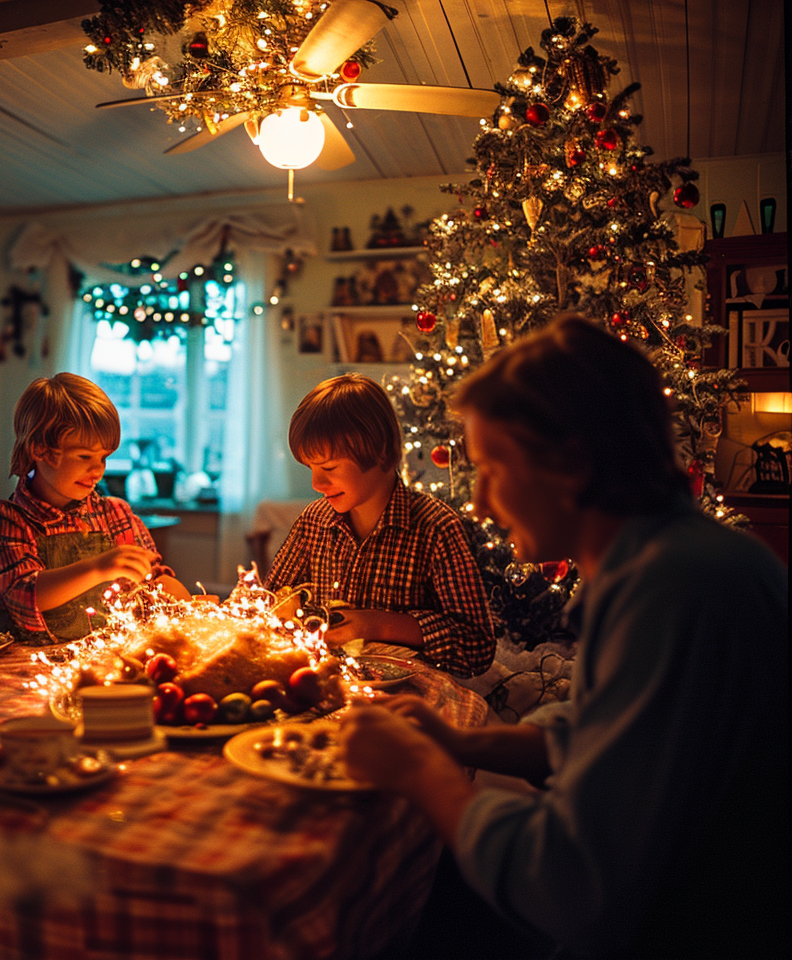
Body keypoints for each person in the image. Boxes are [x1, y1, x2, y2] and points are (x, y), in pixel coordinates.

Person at [341, 315, 789, 958]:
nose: (482, 504)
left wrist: (420, 769)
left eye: (493, 469)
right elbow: (597, 729)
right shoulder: (661, 560)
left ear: (571, 463)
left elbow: (571, 886)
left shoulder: (676, 589)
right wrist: (459, 741)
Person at [266, 373, 495, 677]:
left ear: (381, 451)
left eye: (329, 468)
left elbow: (477, 647)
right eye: (311, 468)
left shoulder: (436, 528)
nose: (316, 483)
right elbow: (267, 605)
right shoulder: (314, 522)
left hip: (407, 699)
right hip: (323, 683)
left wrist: (378, 624)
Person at [0, 372, 188, 642]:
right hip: (19, 668)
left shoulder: (115, 515)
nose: (97, 470)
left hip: (98, 665)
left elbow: (154, 580)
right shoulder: (4, 520)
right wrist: (98, 568)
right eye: (85, 456)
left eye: (104, 457)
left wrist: (183, 603)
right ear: (40, 450)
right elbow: (24, 593)